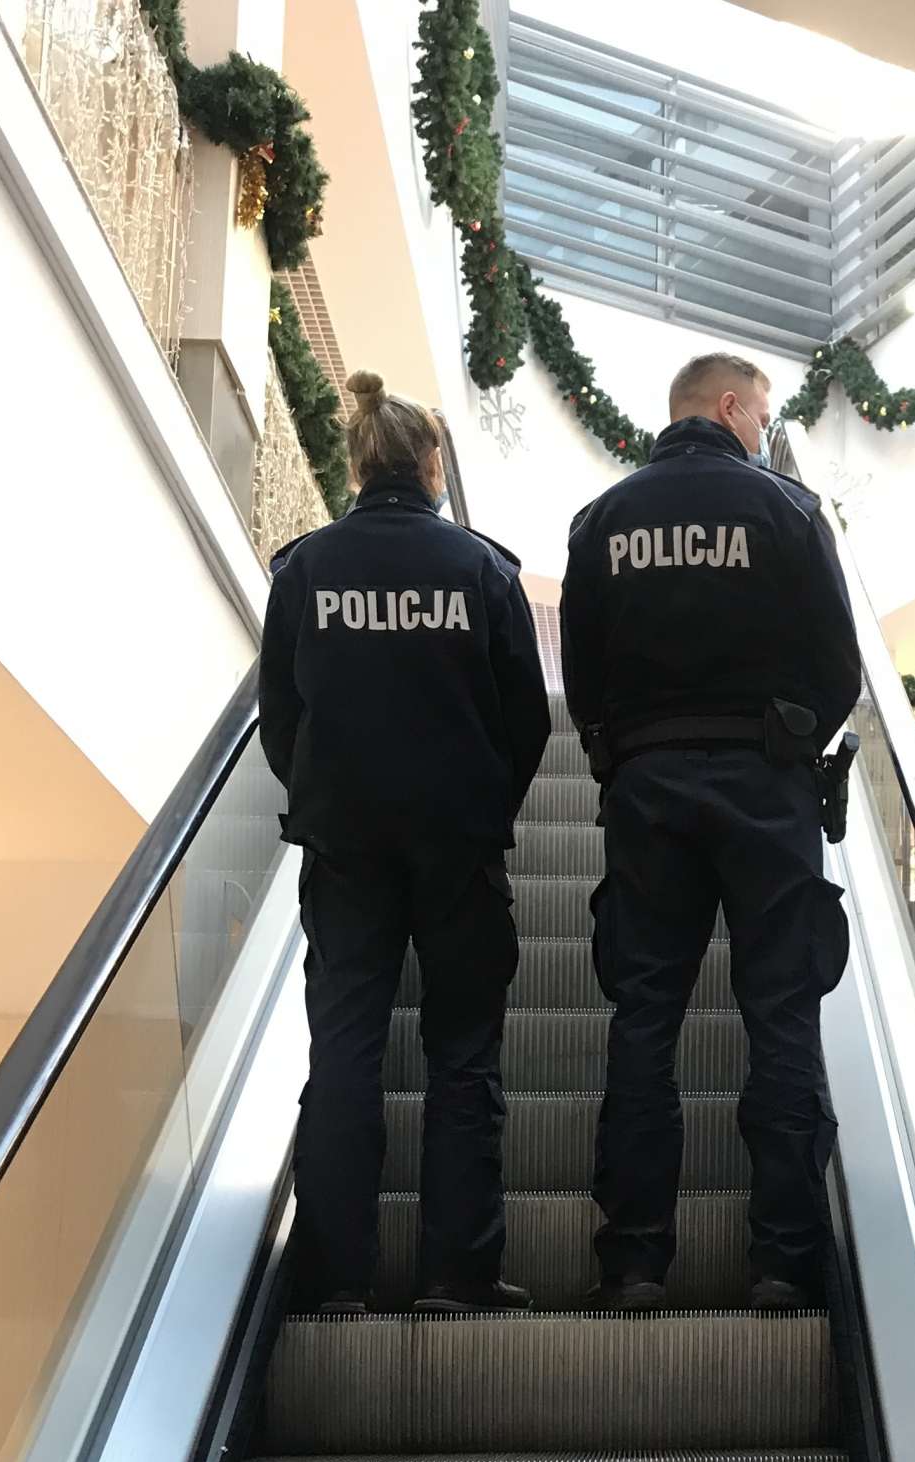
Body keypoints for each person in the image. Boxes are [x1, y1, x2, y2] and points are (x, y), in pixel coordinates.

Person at [561, 352, 862, 1313]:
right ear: (730, 408)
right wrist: (789, 744)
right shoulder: (788, 511)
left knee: (644, 1018)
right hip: (766, 788)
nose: (767, 432)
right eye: (764, 416)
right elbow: (839, 664)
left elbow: (580, 669)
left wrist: (620, 756)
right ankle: (784, 1261)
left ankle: (634, 1262)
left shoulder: (602, 522)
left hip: (648, 789)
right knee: (781, 1015)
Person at [260, 368, 550, 1314]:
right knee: (463, 1050)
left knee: (345, 1047)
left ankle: (336, 1275)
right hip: (458, 844)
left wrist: (325, 800)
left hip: (344, 847)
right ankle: (456, 1272)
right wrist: (486, 805)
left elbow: (280, 717)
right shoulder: (482, 570)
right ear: (431, 465)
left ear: (357, 466)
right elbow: (527, 718)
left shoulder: (306, 571)